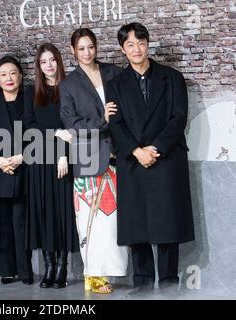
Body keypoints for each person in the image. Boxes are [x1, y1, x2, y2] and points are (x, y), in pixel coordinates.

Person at [106, 22, 195, 295]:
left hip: (165, 157)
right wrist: (136, 151)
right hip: (132, 159)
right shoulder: (115, 84)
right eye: (130, 45)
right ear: (123, 49)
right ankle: (142, 282)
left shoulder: (172, 77)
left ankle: (169, 282)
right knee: (137, 223)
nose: (137, 49)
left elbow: (178, 118)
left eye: (141, 43)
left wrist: (154, 149)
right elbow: (115, 123)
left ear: (148, 44)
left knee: (167, 222)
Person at [59, 28, 128, 294]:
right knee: (90, 222)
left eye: (91, 47)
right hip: (88, 157)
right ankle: (94, 276)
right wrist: (102, 120)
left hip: (119, 155)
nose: (87, 53)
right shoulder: (68, 84)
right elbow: (70, 124)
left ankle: (117, 271)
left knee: (115, 220)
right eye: (82, 48)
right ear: (72, 51)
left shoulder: (114, 72)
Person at [24, 43, 79, 289]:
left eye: (52, 60)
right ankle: (48, 266)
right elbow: (29, 128)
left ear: (59, 61)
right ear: (38, 66)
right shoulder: (31, 93)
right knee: (44, 213)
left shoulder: (70, 89)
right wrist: (56, 132)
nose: (48, 65)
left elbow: (73, 129)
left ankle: (62, 268)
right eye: (43, 61)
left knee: (62, 213)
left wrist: (62, 152)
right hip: (39, 162)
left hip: (63, 162)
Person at [0, 56, 33, 285]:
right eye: (3, 74)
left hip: (25, 168)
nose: (9, 78)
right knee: (3, 224)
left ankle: (25, 271)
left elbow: (39, 130)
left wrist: (22, 157)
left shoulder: (30, 98)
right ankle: (7, 271)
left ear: (20, 76)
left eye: (13, 73)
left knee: (22, 223)